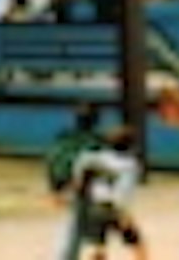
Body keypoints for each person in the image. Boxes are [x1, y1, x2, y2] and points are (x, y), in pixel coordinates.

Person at [68, 125, 147, 260]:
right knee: (136, 242)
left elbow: (80, 165)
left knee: (99, 247)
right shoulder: (129, 165)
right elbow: (123, 192)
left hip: (94, 207)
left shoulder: (94, 159)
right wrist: (124, 214)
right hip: (114, 208)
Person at [46, 103, 105, 260]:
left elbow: (51, 160)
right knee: (83, 230)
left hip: (61, 183)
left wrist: (53, 188)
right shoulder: (96, 142)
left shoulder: (63, 137)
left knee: (75, 228)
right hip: (81, 188)